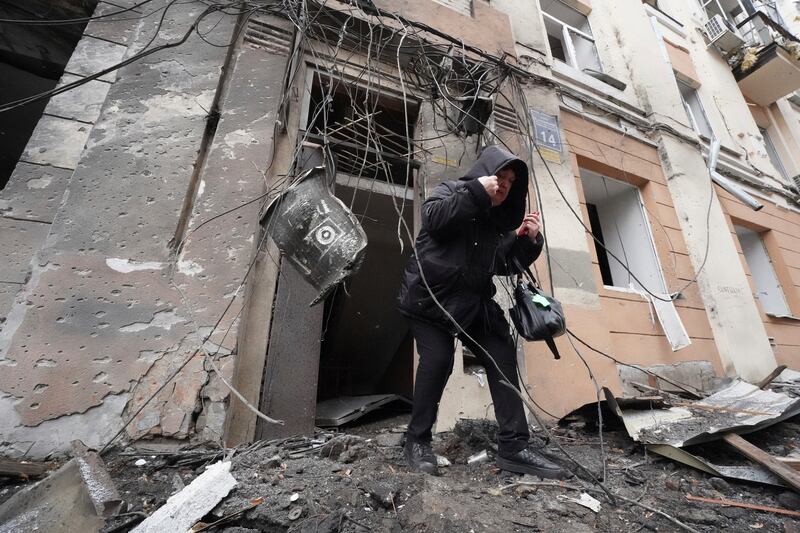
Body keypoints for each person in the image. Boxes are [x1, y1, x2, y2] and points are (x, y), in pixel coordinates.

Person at [397, 145, 566, 478]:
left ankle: (514, 447)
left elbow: (500, 263)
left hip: (473, 304)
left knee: (501, 351)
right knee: (438, 360)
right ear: (485, 173)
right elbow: (434, 220)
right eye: (500, 176)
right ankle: (416, 442)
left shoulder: (495, 225)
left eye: (511, 181)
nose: (504, 185)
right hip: (430, 300)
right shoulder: (453, 191)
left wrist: (527, 242)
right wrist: (475, 193)